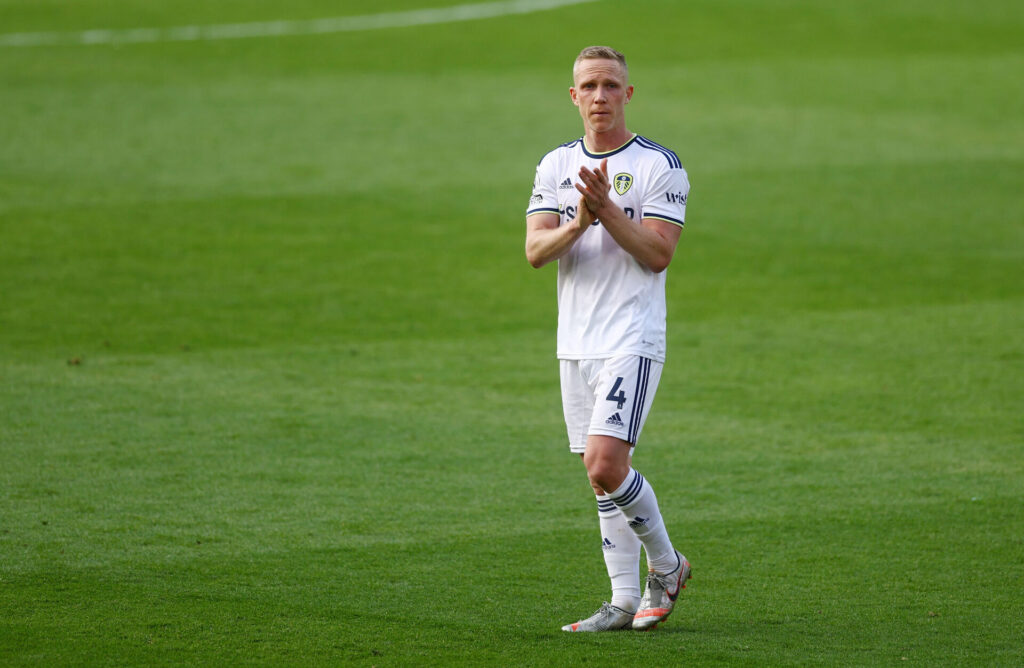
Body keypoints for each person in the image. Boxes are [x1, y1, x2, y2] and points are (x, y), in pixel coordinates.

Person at [524, 46, 691, 632]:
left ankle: (667, 567)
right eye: (589, 86)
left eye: (610, 85)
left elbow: (658, 254)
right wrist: (578, 221)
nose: (600, 96)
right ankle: (622, 600)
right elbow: (535, 253)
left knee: (604, 462)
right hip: (576, 342)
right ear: (574, 96)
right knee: (599, 475)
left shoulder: (657, 165)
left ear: (628, 94)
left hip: (631, 336)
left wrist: (606, 211)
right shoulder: (555, 164)